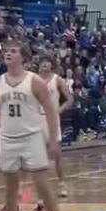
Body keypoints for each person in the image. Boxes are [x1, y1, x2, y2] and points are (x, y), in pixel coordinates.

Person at [0, 42, 68, 211]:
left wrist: (53, 140)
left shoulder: (35, 81)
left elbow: (50, 111)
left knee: (42, 185)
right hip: (7, 138)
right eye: (6, 51)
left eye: (13, 51)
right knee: (10, 186)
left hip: (32, 137)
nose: (8, 53)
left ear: (23, 57)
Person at [37, 56, 72, 198]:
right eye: (42, 63)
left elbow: (70, 100)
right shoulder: (33, 79)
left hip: (52, 118)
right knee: (37, 156)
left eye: (47, 62)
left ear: (51, 65)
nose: (44, 65)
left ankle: (62, 184)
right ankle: (40, 189)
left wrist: (58, 110)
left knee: (56, 154)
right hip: (37, 118)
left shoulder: (57, 80)